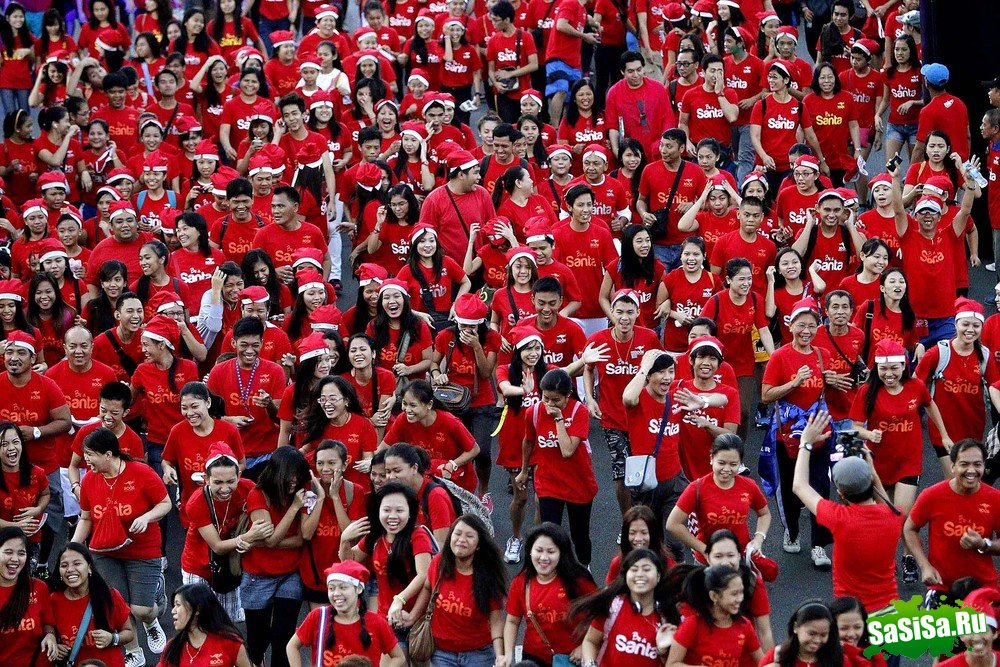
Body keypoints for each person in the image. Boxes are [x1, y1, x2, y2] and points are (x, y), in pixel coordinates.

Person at [72, 427, 170, 665]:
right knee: (119, 607)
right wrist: (73, 547)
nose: (86, 460)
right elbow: (86, 518)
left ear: (108, 454)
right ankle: (133, 652)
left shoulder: (141, 472)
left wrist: (146, 518)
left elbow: (165, 503)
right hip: (104, 551)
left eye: (90, 454)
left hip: (142, 550)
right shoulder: (89, 481)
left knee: (141, 609)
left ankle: (153, 615)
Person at [792, 410, 904, 614]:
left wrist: (805, 443)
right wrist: (868, 461)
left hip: (850, 614)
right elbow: (884, 500)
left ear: (840, 492)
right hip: (890, 609)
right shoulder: (894, 516)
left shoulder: (839, 518)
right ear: (870, 480)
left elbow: (799, 486)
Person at [585, 289, 659, 514]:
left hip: (643, 416)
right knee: (621, 471)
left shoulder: (649, 338)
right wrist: (590, 399)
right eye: (619, 312)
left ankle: (644, 516)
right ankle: (628, 520)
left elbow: (662, 371)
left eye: (629, 312)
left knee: (645, 470)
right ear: (611, 313)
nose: (624, 317)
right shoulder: (598, 340)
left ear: (637, 312)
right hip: (612, 418)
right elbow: (588, 369)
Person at [339, 482, 434, 656]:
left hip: (417, 619)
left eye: (399, 511)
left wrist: (401, 601)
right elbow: (349, 562)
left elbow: (424, 575)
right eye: (387, 510)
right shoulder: (375, 536)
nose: (393, 516)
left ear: (410, 512)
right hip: (386, 620)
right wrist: (344, 540)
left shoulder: (417, 535)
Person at [904, 440, 1000, 606]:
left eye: (977, 464)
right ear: (953, 466)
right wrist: (924, 565)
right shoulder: (932, 495)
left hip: (983, 586)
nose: (971, 470)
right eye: (964, 464)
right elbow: (910, 528)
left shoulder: (995, 499)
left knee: (985, 633)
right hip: (942, 586)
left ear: (984, 467)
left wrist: (984, 544)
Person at [517, 368, 597, 568]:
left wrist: (559, 419)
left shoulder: (579, 412)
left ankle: (585, 568)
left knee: (580, 535)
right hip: (548, 482)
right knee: (550, 533)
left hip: (578, 484)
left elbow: (567, 450)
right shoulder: (533, 412)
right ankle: (553, 575)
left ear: (568, 395)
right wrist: (524, 470)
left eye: (556, 400)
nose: (550, 405)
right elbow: (528, 442)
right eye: (546, 398)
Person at [240, 446, 310, 667]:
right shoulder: (257, 495)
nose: (294, 481)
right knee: (257, 639)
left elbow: (300, 539)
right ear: (277, 472)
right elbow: (270, 539)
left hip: (291, 573)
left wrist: (268, 542)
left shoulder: (301, 491)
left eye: (298, 476)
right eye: (290, 475)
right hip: (258, 576)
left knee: (284, 635)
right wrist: (294, 509)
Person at [410, 515, 507, 665]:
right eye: (457, 533)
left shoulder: (488, 575)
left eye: (469, 536)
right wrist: (412, 616)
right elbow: (428, 588)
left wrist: (500, 655)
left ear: (479, 545)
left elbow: (495, 621)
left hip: (478, 654)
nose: (461, 539)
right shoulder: (439, 562)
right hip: (442, 652)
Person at [501, 522, 597, 666]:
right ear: (530, 551)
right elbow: (512, 621)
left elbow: (599, 615)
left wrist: (584, 645)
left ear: (561, 553)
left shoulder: (579, 580)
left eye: (551, 552)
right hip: (534, 657)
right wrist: (508, 654)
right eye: (539, 550)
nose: (544, 558)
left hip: (571, 658)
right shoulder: (520, 582)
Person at [667, 433, 769, 561]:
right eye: (721, 463)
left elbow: (764, 514)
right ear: (711, 458)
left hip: (739, 558)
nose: (726, 469)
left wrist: (758, 538)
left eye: (733, 464)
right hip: (707, 563)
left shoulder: (749, 486)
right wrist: (705, 550)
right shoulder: (697, 488)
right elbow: (672, 524)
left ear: (740, 463)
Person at [572, 548, 680, 667]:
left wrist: (662, 652)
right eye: (634, 569)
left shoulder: (668, 616)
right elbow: (590, 641)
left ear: (658, 576)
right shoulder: (613, 606)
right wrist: (590, 664)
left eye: (646, 569)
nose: (640, 575)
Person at [286, 560, 403, 667]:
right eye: (331, 588)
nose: (336, 593)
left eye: (343, 587)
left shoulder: (376, 622)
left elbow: (398, 657)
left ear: (358, 589)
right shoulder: (318, 617)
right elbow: (292, 646)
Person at [50, 542, 134, 667]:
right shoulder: (53, 600)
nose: (70, 570)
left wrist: (112, 639)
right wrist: (56, 647)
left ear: (89, 568)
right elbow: (48, 633)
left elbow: (129, 632)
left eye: (77, 564)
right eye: (64, 565)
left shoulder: (109, 595)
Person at [636, 128, 708, 270]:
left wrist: (692, 204)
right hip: (658, 243)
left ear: (682, 148)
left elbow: (707, 203)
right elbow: (641, 200)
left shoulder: (696, 171)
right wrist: (644, 214)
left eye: (669, 146)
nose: (663, 150)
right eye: (662, 145)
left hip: (687, 243)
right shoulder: (649, 170)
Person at [668, 564, 764, 667]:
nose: (740, 598)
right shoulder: (692, 625)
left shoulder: (744, 625)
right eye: (734, 594)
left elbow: (763, 662)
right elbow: (672, 664)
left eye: (741, 592)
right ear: (714, 596)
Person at [0, 526, 59, 664]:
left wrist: (50, 636)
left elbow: (47, 623)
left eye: (21, 553)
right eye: (8, 552)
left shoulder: (39, 587)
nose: (15, 559)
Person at [606, 51, 675, 163]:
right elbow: (612, 126)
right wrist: (616, 150)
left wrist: (665, 146)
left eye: (639, 70)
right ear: (622, 72)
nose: (636, 75)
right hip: (630, 153)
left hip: (657, 150)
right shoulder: (614, 93)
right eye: (631, 71)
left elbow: (668, 120)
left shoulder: (658, 88)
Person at [161, 583, 252, 667]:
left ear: (197, 609)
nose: (173, 611)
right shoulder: (172, 648)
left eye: (178, 605)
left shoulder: (230, 643)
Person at [759, 601, 844, 667]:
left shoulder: (838, 659)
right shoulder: (776, 656)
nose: (817, 640)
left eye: (823, 635)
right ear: (795, 627)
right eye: (812, 634)